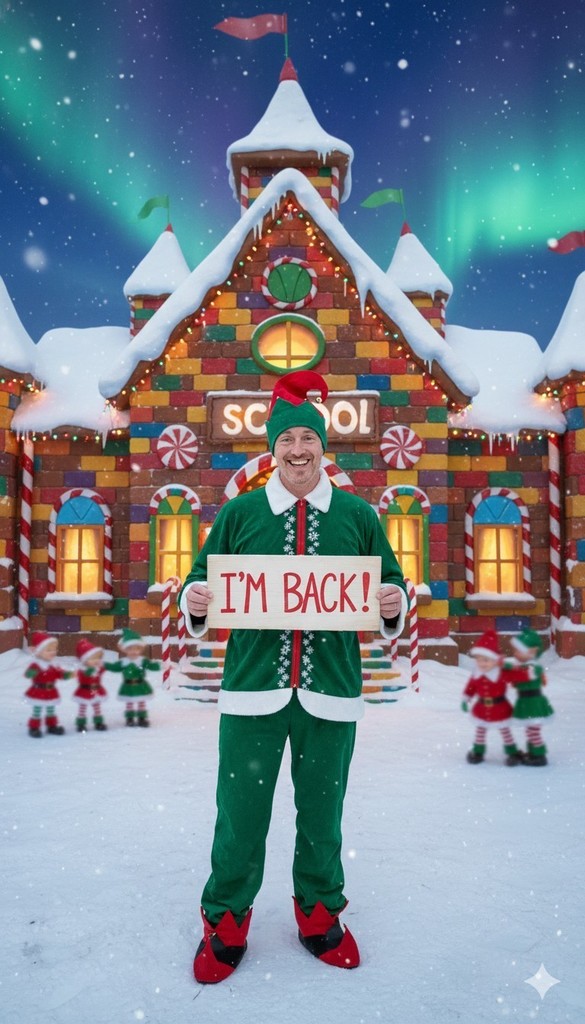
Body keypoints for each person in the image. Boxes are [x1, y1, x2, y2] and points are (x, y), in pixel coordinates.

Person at [179, 370, 408, 984]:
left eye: (308, 438)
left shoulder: (357, 515)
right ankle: (226, 919)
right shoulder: (240, 513)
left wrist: (392, 602)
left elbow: (390, 580)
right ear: (273, 448)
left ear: (322, 447)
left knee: (322, 815)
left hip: (331, 691)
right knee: (240, 814)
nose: (298, 450)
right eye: (287, 440)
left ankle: (319, 913)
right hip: (252, 689)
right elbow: (201, 577)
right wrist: (195, 600)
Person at [461, 630, 523, 765]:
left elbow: (517, 676)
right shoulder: (477, 674)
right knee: (480, 731)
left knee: (505, 731)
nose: (482, 663)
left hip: (500, 708)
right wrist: (466, 698)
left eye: (486, 660)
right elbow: (470, 688)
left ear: (495, 661)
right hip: (482, 708)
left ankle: (512, 752)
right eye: (479, 660)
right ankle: (478, 751)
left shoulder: (501, 673)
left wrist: (516, 670)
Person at [505, 629, 554, 766]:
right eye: (515, 650)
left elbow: (523, 675)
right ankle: (533, 752)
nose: (515, 654)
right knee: (530, 730)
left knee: (533, 731)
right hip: (527, 702)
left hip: (534, 703)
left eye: (519, 651)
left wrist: (507, 667)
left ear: (532, 652)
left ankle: (539, 755)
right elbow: (517, 676)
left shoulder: (533, 667)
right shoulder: (524, 666)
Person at [106, 628, 160, 727]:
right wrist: (105, 665)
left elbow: (152, 666)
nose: (134, 651)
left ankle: (142, 718)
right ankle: (129, 718)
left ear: (141, 649)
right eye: (130, 649)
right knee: (129, 702)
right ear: (125, 649)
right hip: (128, 686)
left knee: (141, 702)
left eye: (137, 649)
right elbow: (115, 667)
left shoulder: (142, 661)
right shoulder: (124, 662)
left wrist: (160, 666)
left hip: (140, 685)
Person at [24, 631, 72, 737]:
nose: (53, 652)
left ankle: (52, 726)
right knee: (37, 710)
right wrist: (31, 672)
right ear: (39, 651)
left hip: (51, 691)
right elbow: (28, 674)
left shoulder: (53, 665)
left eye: (54, 649)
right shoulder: (37, 665)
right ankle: (34, 727)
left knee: (51, 709)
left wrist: (68, 675)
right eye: (49, 650)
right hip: (39, 691)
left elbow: (59, 674)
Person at [73, 639, 109, 732]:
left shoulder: (98, 669)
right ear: (84, 660)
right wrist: (89, 672)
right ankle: (81, 723)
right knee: (83, 707)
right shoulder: (82, 670)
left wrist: (105, 666)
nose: (96, 661)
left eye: (97, 658)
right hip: (84, 691)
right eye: (92, 659)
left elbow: (104, 669)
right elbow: (82, 678)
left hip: (96, 690)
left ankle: (98, 722)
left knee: (97, 706)